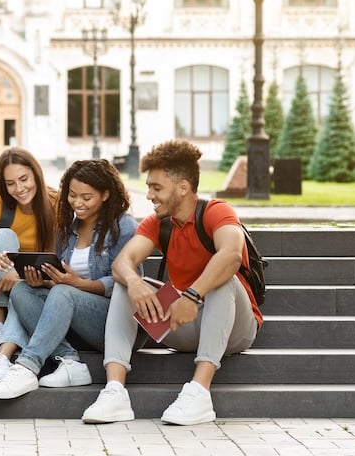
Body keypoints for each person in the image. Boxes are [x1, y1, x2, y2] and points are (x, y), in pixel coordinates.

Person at [81, 139, 262, 426]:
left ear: (183, 188)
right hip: (184, 324)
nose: (150, 195)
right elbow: (121, 263)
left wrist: (191, 296)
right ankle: (115, 392)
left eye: (156, 187)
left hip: (235, 328)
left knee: (223, 279)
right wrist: (136, 282)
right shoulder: (158, 222)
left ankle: (200, 393)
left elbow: (230, 256)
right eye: (149, 186)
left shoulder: (217, 211)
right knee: (127, 284)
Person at [0, 159, 137, 399]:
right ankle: (69, 361)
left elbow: (125, 282)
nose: (77, 203)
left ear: (106, 194)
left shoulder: (124, 226)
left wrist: (79, 285)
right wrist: (45, 280)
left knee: (63, 292)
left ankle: (27, 365)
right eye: (72, 195)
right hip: (70, 319)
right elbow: (62, 279)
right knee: (22, 291)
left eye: (86, 197)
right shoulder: (68, 228)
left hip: (111, 323)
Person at [0, 147, 56, 384]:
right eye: (10, 183)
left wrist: (19, 277)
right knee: (5, 236)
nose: (19, 189)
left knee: (23, 291)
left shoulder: (55, 202)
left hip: (31, 284)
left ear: (36, 175)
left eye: (24, 179)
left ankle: (2, 360)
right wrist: (5, 264)